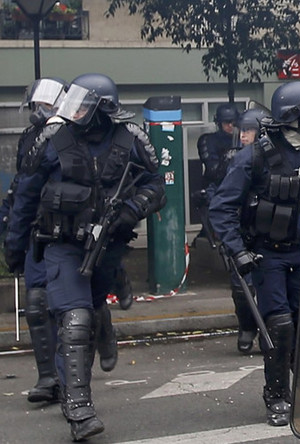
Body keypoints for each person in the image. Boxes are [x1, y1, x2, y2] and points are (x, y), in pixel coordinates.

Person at [4, 73, 166, 441]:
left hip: (107, 246)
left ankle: (103, 326)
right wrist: (14, 249)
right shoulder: (52, 139)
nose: (74, 110)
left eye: (83, 105)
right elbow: (25, 198)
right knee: (74, 320)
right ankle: (79, 408)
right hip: (60, 244)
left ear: (102, 110)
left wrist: (132, 208)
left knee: (90, 316)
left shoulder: (131, 139)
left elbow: (157, 186)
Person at [209, 81, 300, 426]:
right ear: (292, 117)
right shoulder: (255, 155)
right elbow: (221, 208)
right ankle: (277, 396)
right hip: (268, 255)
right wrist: (239, 252)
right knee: (280, 325)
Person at [0, 77, 66, 404]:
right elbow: (23, 185)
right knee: (38, 305)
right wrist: (10, 225)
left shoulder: (74, 135)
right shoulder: (31, 138)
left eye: (45, 106)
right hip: (38, 231)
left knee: (76, 307)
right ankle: (49, 377)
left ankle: (74, 376)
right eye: (38, 106)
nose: (39, 112)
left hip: (70, 231)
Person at [195, 102, 259, 353]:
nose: (239, 133)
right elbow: (217, 192)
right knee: (240, 287)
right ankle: (247, 327)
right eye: (235, 128)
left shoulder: (269, 156)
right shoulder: (229, 153)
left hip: (265, 226)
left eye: (246, 130)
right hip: (237, 226)